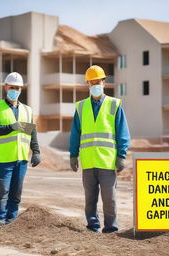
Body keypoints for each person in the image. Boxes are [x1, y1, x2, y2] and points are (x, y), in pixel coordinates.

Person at [69, 65, 130, 233]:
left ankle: (111, 227)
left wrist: (121, 156)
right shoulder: (81, 107)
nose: (95, 85)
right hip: (88, 161)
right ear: (88, 84)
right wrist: (73, 155)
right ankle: (92, 226)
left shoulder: (114, 105)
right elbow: (75, 133)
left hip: (107, 161)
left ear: (104, 82)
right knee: (90, 199)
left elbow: (122, 132)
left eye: (98, 81)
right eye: (91, 82)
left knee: (109, 198)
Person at [0, 72, 40, 227]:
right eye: (11, 87)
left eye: (17, 88)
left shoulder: (27, 110)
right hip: (3, 159)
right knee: (3, 190)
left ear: (21, 89)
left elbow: (32, 132)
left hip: (21, 159)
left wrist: (36, 151)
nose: (14, 90)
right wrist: (11, 127)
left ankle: (11, 221)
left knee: (16, 192)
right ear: (6, 87)